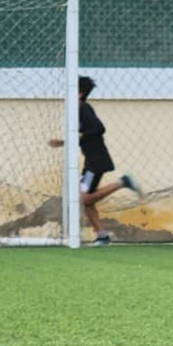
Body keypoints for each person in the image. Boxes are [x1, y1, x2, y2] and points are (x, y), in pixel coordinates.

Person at [49, 75, 143, 246]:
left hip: (96, 161)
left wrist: (81, 135)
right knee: (86, 201)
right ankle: (102, 236)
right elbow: (83, 136)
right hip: (92, 162)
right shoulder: (77, 110)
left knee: (83, 199)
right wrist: (62, 142)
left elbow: (99, 128)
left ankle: (123, 182)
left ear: (79, 93)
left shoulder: (83, 108)